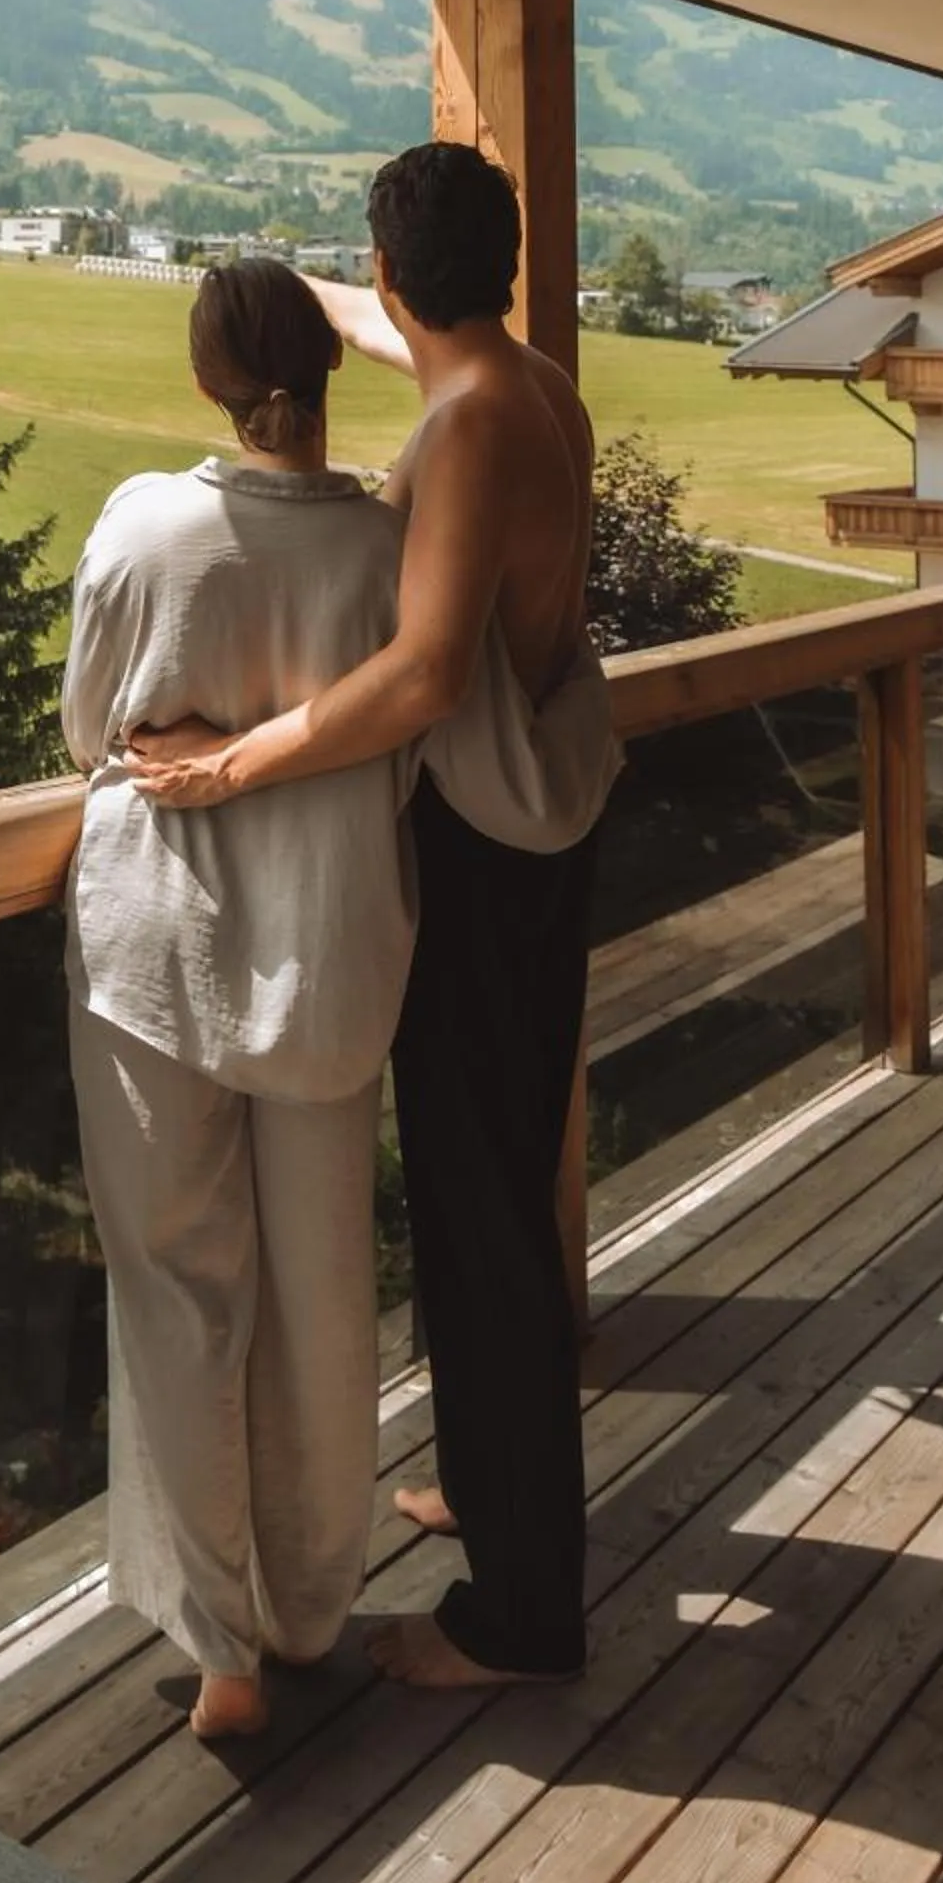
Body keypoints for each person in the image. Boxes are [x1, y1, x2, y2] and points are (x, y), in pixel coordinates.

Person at [129, 143, 619, 1693]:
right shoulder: (532, 380)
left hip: (484, 857)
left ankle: (522, 1612)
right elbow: (405, 322)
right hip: (548, 830)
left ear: (399, 271)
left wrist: (240, 761)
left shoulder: (470, 431)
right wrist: (315, 295)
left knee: (481, 1218)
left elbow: (417, 674)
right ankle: (486, 1489)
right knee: (499, 1175)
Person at [62, 258, 413, 1740]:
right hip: (330, 957)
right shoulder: (393, 547)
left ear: (210, 373)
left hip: (157, 952)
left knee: (179, 1291)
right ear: (323, 370)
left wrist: (213, 730)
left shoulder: (147, 526)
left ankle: (222, 1654)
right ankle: (314, 1604)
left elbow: (93, 728)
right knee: (327, 1293)